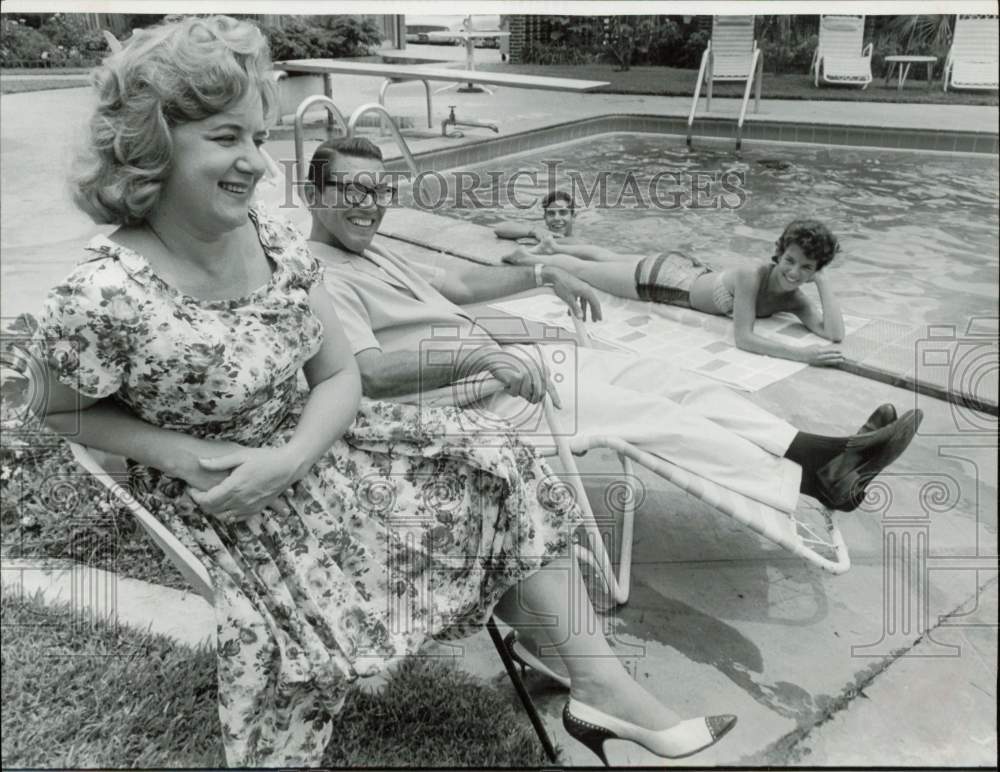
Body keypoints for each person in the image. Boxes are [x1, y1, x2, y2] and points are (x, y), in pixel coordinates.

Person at [26, 16, 738, 767]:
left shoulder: (269, 241)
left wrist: (297, 453)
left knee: (500, 461)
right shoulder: (105, 292)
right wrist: (181, 453)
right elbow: (54, 404)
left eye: (260, 138)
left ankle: (605, 692)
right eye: (227, 138)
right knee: (289, 653)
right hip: (231, 499)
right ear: (154, 143)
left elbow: (338, 375)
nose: (256, 165)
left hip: (318, 448)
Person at [307, 137, 922, 693]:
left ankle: (813, 450)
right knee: (647, 413)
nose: (371, 204)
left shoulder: (374, 252)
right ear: (314, 194)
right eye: (354, 190)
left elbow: (460, 289)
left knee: (668, 380)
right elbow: (366, 375)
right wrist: (479, 358)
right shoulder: (324, 279)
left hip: (510, 364)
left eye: (381, 191)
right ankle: (813, 479)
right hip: (480, 398)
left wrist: (548, 272)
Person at [503, 219, 847, 366]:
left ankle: (553, 245)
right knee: (587, 272)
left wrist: (823, 282)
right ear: (779, 252)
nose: (794, 272)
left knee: (608, 258)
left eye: (807, 268)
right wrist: (803, 356)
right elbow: (744, 338)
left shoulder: (797, 297)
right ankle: (530, 256)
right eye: (790, 260)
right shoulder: (751, 276)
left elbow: (832, 333)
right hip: (666, 282)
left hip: (687, 269)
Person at [492, 189, 583, 244]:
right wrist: (534, 231)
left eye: (563, 212)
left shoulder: (583, 236)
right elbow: (499, 228)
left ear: (573, 216)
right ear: (545, 217)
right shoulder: (539, 231)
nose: (556, 218)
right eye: (551, 213)